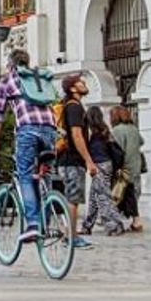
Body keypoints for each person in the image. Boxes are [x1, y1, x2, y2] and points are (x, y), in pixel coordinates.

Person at [0, 49, 57, 243]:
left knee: (25, 175)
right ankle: (47, 222)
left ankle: (33, 225)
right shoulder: (38, 77)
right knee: (45, 173)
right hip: (51, 129)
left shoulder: (7, 80)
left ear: (10, 64)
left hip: (28, 130)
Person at [59, 73, 94, 250]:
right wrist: (89, 160)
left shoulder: (70, 106)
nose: (84, 83)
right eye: (81, 82)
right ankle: (71, 237)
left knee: (72, 198)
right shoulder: (74, 107)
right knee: (73, 199)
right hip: (72, 160)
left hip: (67, 160)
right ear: (73, 88)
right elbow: (77, 135)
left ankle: (70, 234)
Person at [80, 106, 126, 237]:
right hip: (107, 164)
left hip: (99, 165)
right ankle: (87, 225)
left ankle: (114, 224)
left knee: (103, 197)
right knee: (94, 196)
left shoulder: (91, 133)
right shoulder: (105, 130)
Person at [110, 105, 144, 231]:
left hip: (124, 167)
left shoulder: (117, 130)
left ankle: (128, 220)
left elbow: (117, 150)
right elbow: (141, 142)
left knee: (120, 194)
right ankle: (134, 220)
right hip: (136, 166)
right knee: (132, 194)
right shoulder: (133, 129)